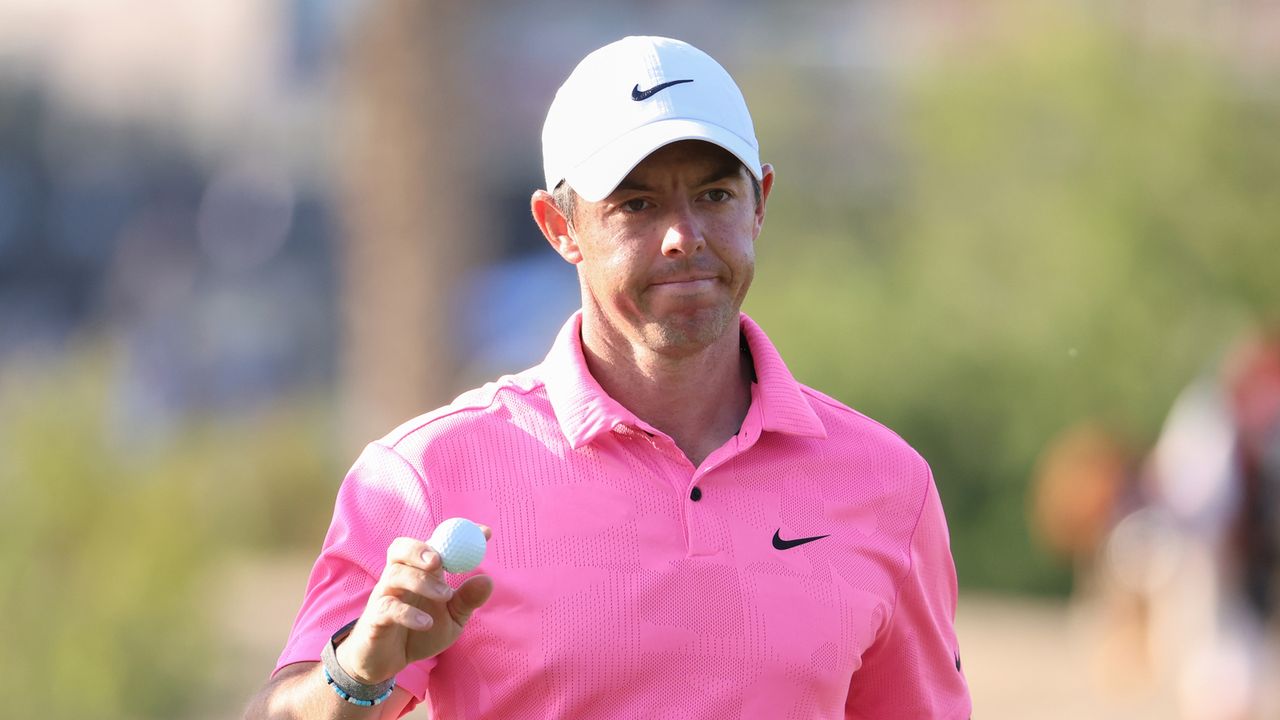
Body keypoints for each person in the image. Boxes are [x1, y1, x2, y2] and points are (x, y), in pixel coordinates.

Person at [244, 36, 971, 719]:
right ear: (560, 228)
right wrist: (356, 678)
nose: (684, 234)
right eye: (636, 204)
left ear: (760, 205)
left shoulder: (887, 484)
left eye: (715, 195)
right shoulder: (426, 475)